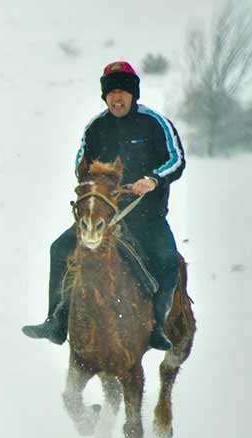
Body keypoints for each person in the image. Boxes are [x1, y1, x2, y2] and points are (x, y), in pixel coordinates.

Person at [22, 61, 185, 351]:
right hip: (104, 217)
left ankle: (156, 326)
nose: (117, 97)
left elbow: (176, 159)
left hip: (147, 217)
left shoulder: (155, 122)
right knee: (59, 249)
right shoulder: (96, 128)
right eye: (111, 92)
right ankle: (56, 321)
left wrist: (152, 180)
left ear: (133, 94)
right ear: (105, 96)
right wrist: (94, 181)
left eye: (123, 91)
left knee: (168, 261)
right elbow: (80, 164)